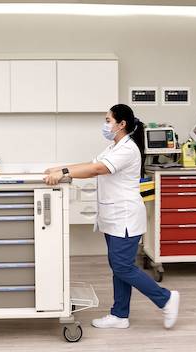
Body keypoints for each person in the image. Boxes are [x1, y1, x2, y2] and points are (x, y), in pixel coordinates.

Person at [44, 104, 180, 329]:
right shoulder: (114, 147)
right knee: (119, 266)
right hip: (114, 216)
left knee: (123, 266)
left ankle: (166, 298)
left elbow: (98, 170)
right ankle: (119, 315)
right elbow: (92, 164)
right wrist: (60, 168)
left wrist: (64, 174)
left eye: (108, 120)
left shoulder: (127, 150)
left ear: (121, 124)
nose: (105, 124)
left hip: (124, 217)